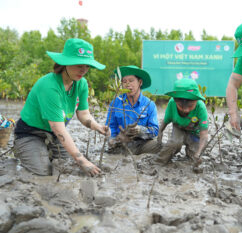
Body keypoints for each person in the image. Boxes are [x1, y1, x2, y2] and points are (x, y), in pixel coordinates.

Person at [14, 38, 108, 177]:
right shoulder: (49, 86)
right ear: (65, 63)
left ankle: (47, 151)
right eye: (78, 65)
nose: (83, 70)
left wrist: (96, 126)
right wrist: (82, 160)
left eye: (87, 66)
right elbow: (58, 127)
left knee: (66, 169)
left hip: (54, 136)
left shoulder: (81, 84)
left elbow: (83, 114)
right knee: (43, 173)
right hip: (30, 133)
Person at [106, 65, 160, 155]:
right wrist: (112, 140)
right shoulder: (115, 103)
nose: (127, 85)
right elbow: (110, 127)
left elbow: (155, 131)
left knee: (163, 147)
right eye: (124, 81)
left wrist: (140, 130)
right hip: (122, 144)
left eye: (131, 81)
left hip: (142, 144)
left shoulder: (149, 104)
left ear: (140, 82)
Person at [156, 78, 208, 167]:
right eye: (180, 106)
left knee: (194, 158)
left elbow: (204, 135)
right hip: (178, 127)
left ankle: (191, 154)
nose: (186, 110)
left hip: (194, 132)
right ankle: (158, 162)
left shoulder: (200, 107)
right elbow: (166, 120)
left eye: (190, 106)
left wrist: (198, 153)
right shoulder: (172, 103)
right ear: (175, 100)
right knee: (174, 143)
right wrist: (160, 132)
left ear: (196, 100)